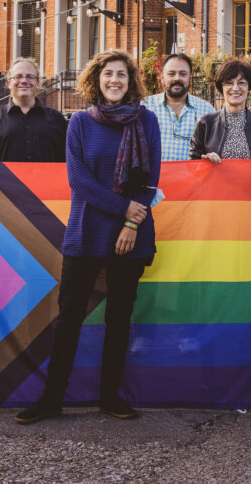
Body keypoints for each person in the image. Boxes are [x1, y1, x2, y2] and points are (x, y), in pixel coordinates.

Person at [15, 50, 162, 425]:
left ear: (131, 82)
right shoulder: (79, 122)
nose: (115, 81)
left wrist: (131, 224)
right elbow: (78, 181)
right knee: (68, 320)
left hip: (131, 236)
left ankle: (110, 397)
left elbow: (150, 182)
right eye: (108, 74)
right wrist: (124, 209)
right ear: (96, 80)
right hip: (86, 233)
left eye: (122, 76)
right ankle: (52, 399)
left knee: (118, 319)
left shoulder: (147, 121)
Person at [0, 58, 68, 162]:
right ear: (9, 83)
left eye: (30, 76)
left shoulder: (57, 120)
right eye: (18, 76)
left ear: (38, 83)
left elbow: (67, 162)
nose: (24, 81)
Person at [189, 59, 251, 164]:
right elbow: (192, 163)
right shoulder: (205, 123)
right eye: (229, 83)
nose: (235, 88)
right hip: (216, 181)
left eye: (241, 83)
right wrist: (205, 161)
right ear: (221, 88)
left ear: (249, 87)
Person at [142, 53, 214, 161]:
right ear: (162, 78)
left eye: (183, 74)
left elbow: (214, 147)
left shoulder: (206, 110)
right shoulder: (145, 107)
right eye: (171, 74)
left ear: (190, 78)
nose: (177, 78)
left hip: (192, 177)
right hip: (154, 177)